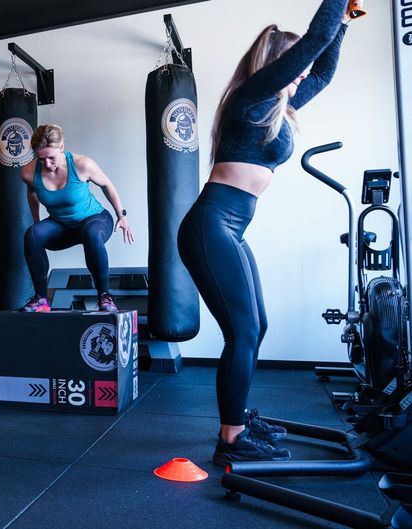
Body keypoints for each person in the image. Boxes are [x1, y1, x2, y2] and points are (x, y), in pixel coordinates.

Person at [176, 0, 360, 465]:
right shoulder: (252, 95)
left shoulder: (274, 104)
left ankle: (238, 417)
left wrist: (341, 26)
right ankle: (231, 439)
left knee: (256, 326)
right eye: (294, 64)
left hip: (230, 228)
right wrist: (333, 11)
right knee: (241, 330)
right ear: (276, 61)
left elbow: (322, 74)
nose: (301, 75)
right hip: (212, 225)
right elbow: (312, 49)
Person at [18, 124, 134, 313]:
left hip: (94, 220)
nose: (47, 164)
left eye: (51, 157)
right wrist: (37, 221)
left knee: (91, 233)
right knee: (32, 234)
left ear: (61, 147)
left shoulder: (82, 164)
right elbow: (31, 193)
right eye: (41, 159)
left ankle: (104, 296)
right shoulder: (28, 173)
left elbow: (107, 184)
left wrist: (121, 215)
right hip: (62, 225)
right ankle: (41, 299)